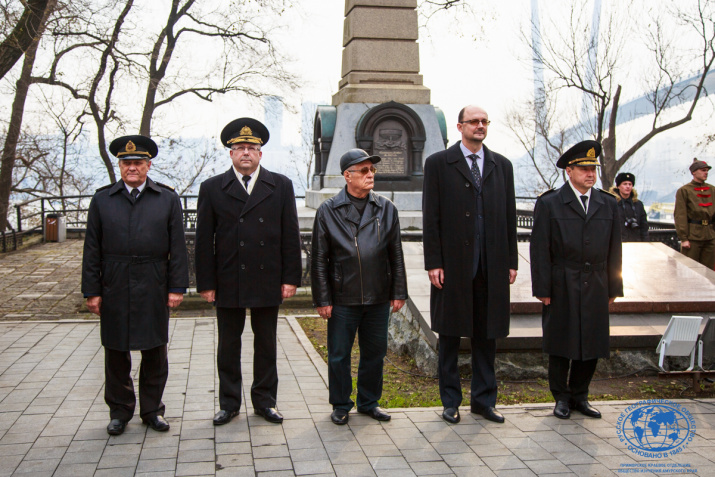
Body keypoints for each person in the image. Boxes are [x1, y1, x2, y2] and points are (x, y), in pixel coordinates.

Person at [195, 118, 302, 426]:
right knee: (228, 344)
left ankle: (265, 402)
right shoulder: (213, 188)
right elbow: (204, 241)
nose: (245, 153)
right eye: (239, 148)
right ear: (230, 154)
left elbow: (290, 235)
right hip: (229, 278)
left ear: (260, 153)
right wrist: (206, 283)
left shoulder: (280, 185)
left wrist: (290, 278)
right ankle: (229, 403)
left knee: (266, 343)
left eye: (251, 148)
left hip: (267, 277)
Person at [82, 135, 189, 436]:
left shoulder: (166, 198)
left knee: (155, 350)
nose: (132, 168)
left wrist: (176, 287)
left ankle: (152, 411)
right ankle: (119, 411)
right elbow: (91, 249)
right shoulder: (103, 199)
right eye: (126, 163)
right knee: (116, 351)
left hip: (154, 281)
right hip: (114, 282)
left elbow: (177, 248)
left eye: (138, 163)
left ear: (148, 165)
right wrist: (92, 291)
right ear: (119, 165)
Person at [423, 105, 518, 425]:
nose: (480, 126)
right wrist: (434, 261)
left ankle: (484, 401)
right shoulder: (438, 164)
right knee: (449, 336)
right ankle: (450, 401)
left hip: (491, 266)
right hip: (453, 265)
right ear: (460, 126)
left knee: (486, 336)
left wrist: (511, 260)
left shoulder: (501, 166)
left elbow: (509, 218)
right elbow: (431, 217)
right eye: (474, 122)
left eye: (484, 122)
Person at [311, 149, 408, 425]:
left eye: (372, 171)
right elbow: (319, 259)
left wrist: (398, 292)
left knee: (375, 353)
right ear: (347, 176)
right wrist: (322, 299)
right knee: (339, 355)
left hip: (378, 297)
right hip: (343, 297)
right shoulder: (328, 210)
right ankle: (341, 403)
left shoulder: (386, 208)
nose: (370, 175)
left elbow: (396, 254)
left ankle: (369, 402)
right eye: (363, 171)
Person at [530, 140, 623, 420]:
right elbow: (540, 250)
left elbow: (614, 249)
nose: (590, 174)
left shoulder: (608, 203)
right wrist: (543, 288)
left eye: (593, 169)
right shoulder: (550, 203)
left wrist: (614, 286)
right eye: (583, 169)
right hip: (562, 282)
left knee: (591, 342)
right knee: (561, 342)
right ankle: (561, 397)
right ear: (569, 171)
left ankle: (580, 395)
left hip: (596, 282)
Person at [674, 159, 715, 269]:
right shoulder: (684, 191)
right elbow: (680, 215)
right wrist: (684, 238)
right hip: (692, 237)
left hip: (710, 236)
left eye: (707, 170)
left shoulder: (712, 190)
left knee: (710, 271)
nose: (706, 173)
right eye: (703, 170)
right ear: (694, 172)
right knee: (690, 269)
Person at [610, 172, 648, 242]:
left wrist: (645, 242)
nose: (628, 186)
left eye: (630, 184)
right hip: (618, 243)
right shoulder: (612, 203)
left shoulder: (638, 204)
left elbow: (644, 226)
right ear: (618, 186)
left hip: (636, 243)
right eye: (625, 184)